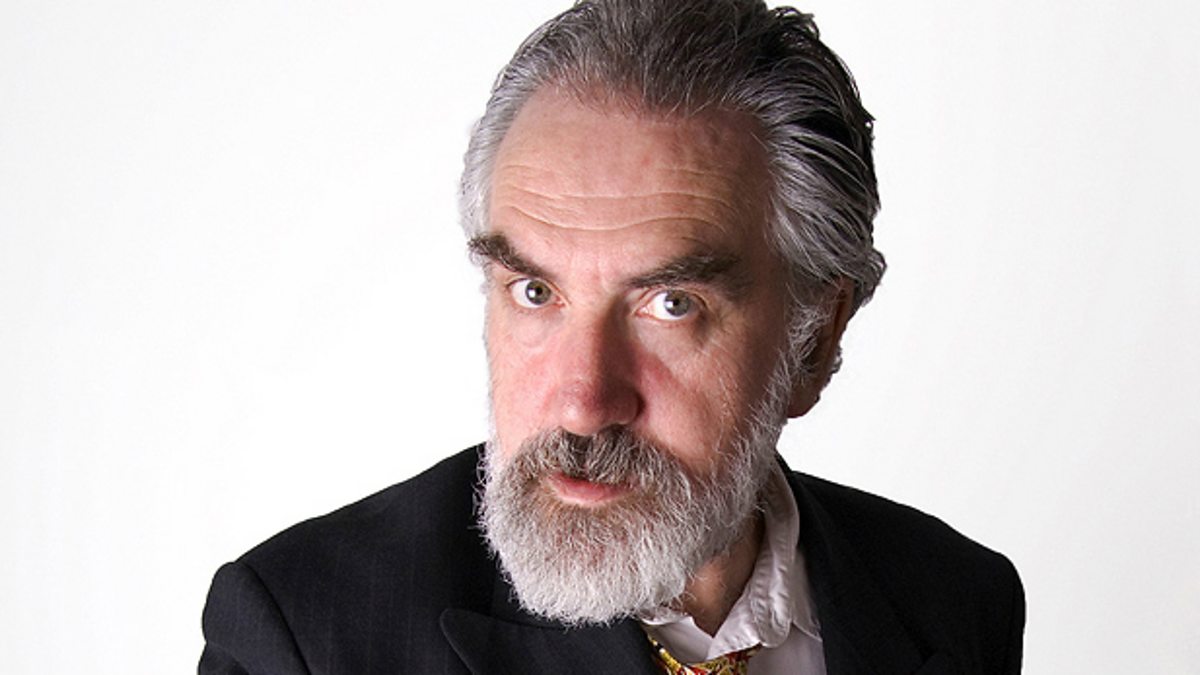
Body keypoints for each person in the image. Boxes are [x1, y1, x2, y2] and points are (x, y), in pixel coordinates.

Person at [199, 1, 1025, 673]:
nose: (584, 402)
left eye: (672, 304)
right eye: (535, 292)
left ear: (814, 339)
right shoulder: (304, 632)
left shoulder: (958, 601)